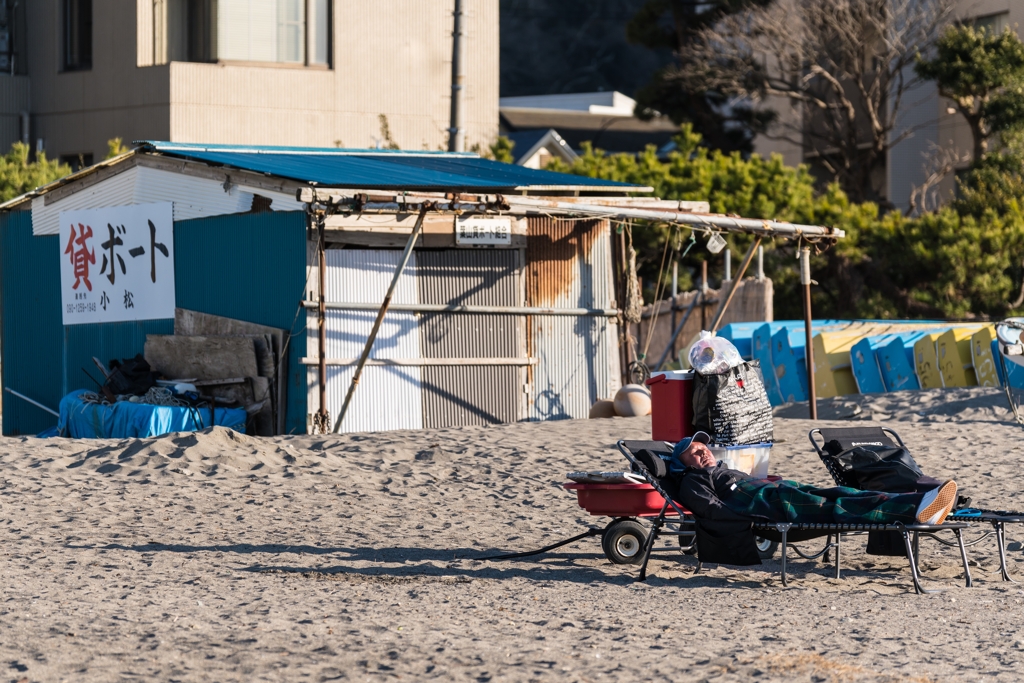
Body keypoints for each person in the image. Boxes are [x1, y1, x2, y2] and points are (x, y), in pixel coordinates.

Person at [662, 432, 958, 565]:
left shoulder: (722, 469)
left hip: (775, 490)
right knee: (838, 507)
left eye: (704, 448)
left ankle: (918, 501)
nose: (704, 452)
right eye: (695, 452)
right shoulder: (692, 480)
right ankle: (916, 509)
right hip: (762, 505)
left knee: (846, 494)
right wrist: (746, 521)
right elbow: (711, 509)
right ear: (683, 463)